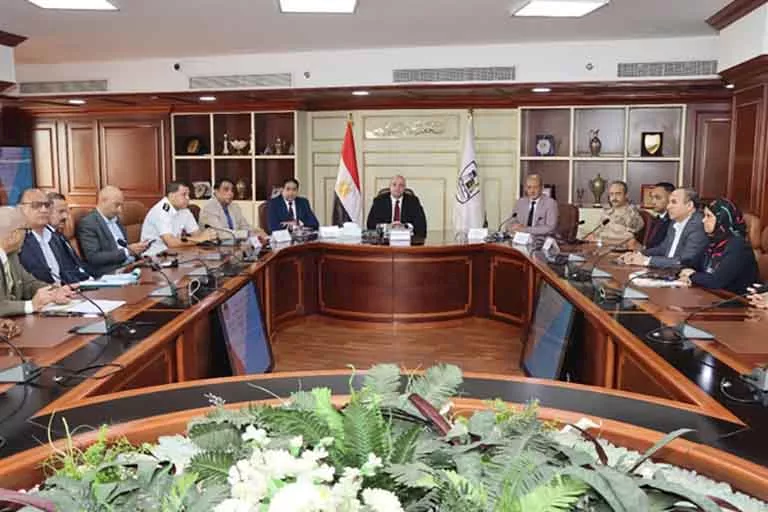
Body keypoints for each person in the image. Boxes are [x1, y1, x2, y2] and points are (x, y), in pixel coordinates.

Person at [0, 206, 75, 317]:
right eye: (26, 230)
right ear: (14, 235)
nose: (26, 235)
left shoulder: (11, 256)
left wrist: (54, 292)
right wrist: (31, 305)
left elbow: (29, 284)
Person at [678, 198, 759, 294]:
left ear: (723, 219)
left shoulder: (739, 246)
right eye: (704, 216)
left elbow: (716, 281)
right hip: (713, 295)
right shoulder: (713, 242)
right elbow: (691, 265)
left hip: (736, 300)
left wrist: (692, 276)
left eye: (708, 216)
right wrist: (685, 273)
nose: (703, 220)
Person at [619, 188, 707, 269]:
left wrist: (647, 261)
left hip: (686, 276)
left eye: (674, 202)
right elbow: (663, 249)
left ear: (689, 205)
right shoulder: (674, 222)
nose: (668, 207)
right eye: (669, 202)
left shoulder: (699, 225)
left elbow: (686, 261)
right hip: (667, 270)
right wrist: (637, 254)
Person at [18, 188, 90, 284]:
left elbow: (68, 271)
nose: (44, 210)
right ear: (20, 208)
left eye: (47, 205)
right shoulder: (18, 240)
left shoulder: (55, 237)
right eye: (36, 205)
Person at [77, 186, 151, 276]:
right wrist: (127, 252)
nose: (120, 210)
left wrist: (138, 249)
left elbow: (124, 246)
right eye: (117, 205)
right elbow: (94, 257)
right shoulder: (89, 223)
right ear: (103, 201)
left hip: (132, 265)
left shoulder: (116, 219)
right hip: (111, 272)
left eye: (121, 205)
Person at [140, 182, 215, 256]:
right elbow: (171, 243)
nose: (188, 198)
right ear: (171, 196)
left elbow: (197, 234)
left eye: (188, 195)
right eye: (184, 195)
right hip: (154, 256)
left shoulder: (184, 210)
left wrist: (207, 236)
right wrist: (199, 240)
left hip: (175, 253)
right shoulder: (161, 211)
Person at [644, 182, 675, 250]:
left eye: (658, 198)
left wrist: (640, 249)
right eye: (652, 197)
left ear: (671, 199)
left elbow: (663, 249)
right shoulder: (656, 218)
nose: (653, 202)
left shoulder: (673, 221)